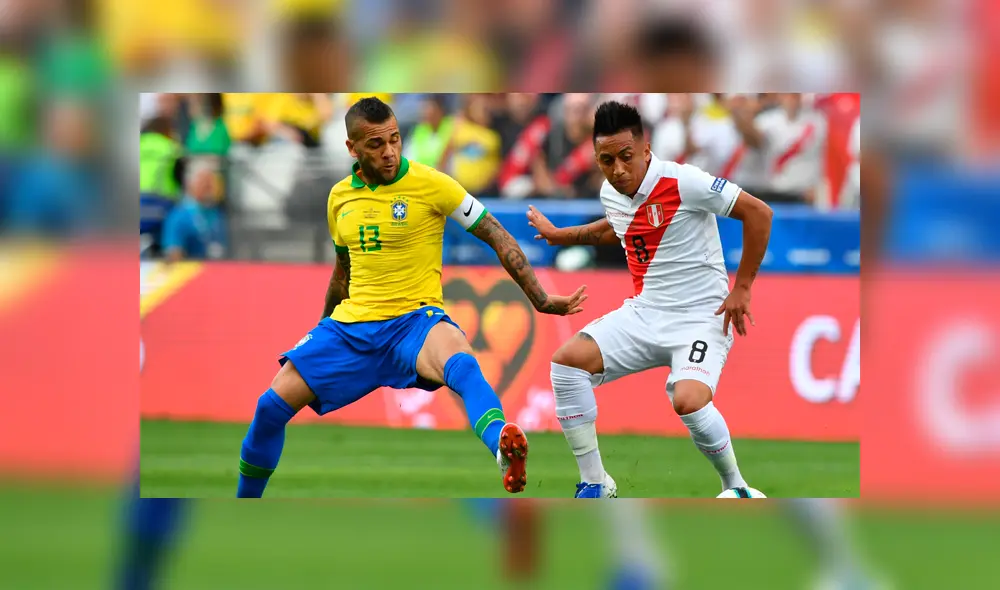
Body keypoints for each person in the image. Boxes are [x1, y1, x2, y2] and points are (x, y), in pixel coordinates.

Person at [236, 97, 587, 498]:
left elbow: (495, 232)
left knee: (461, 363)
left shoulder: (432, 183)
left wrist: (539, 298)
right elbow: (343, 270)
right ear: (352, 149)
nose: (388, 152)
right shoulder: (339, 198)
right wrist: (324, 325)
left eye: (395, 139)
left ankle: (502, 446)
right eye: (375, 144)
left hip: (415, 322)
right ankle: (246, 501)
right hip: (351, 328)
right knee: (269, 408)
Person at [526, 101, 773, 498]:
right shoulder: (612, 192)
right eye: (607, 160)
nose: (618, 169)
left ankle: (736, 486)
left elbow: (759, 213)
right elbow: (617, 227)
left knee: (689, 401)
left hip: (700, 316)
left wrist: (742, 287)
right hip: (645, 313)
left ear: (645, 149)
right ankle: (595, 483)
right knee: (566, 366)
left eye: (626, 157)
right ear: (596, 158)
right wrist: (562, 235)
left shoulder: (684, 181)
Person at [161, 160, 227, 262]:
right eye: (204, 182)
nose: (208, 187)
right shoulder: (179, 216)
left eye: (210, 183)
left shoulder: (217, 213)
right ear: (190, 184)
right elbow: (173, 254)